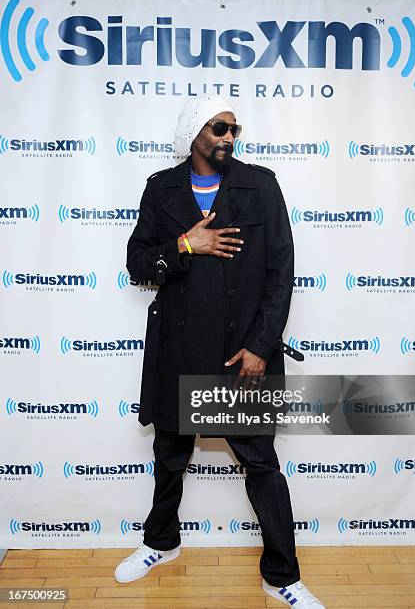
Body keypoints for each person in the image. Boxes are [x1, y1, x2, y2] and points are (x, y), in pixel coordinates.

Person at [115, 95, 325, 608]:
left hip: (239, 355)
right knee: (170, 455)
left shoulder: (260, 184)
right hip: (180, 347)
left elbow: (281, 271)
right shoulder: (160, 188)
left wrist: (260, 345)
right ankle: (160, 543)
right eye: (219, 127)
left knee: (260, 463)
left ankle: (282, 576)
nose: (229, 137)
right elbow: (138, 264)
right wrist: (186, 245)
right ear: (195, 131)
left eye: (234, 129)